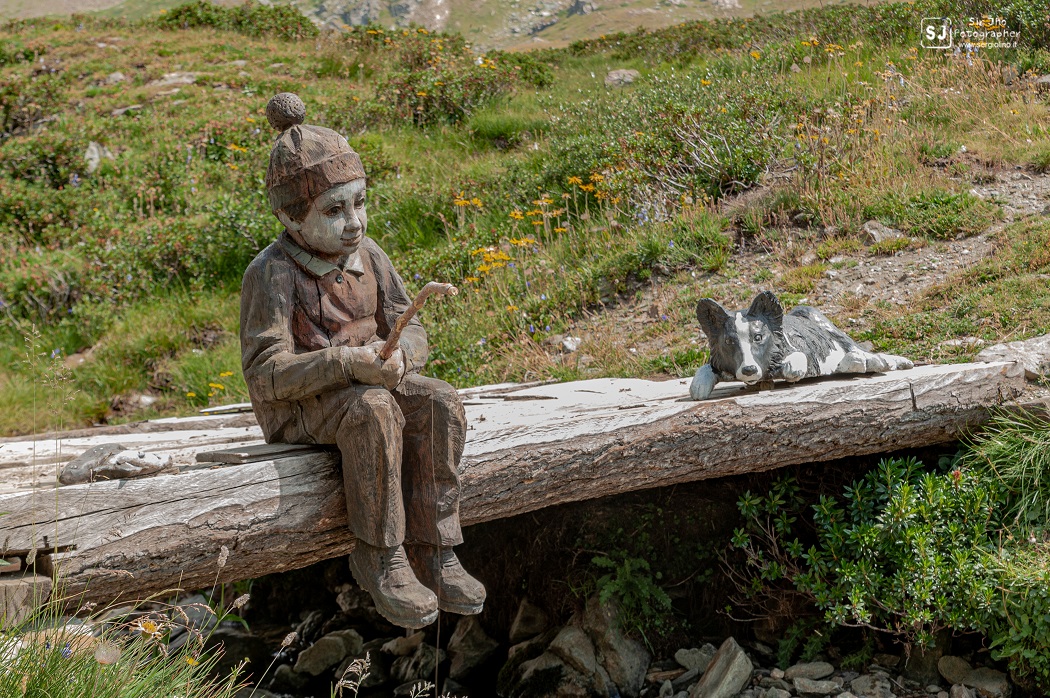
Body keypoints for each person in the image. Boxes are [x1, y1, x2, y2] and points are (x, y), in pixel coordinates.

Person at [239, 92, 484, 629]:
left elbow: (410, 325)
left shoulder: (369, 255)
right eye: (334, 210)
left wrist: (404, 358)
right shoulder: (272, 273)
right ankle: (381, 554)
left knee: (440, 401)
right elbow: (265, 373)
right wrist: (349, 363)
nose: (354, 222)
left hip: (369, 383)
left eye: (359, 202)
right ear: (290, 217)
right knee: (373, 409)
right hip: (302, 408)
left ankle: (436, 548)